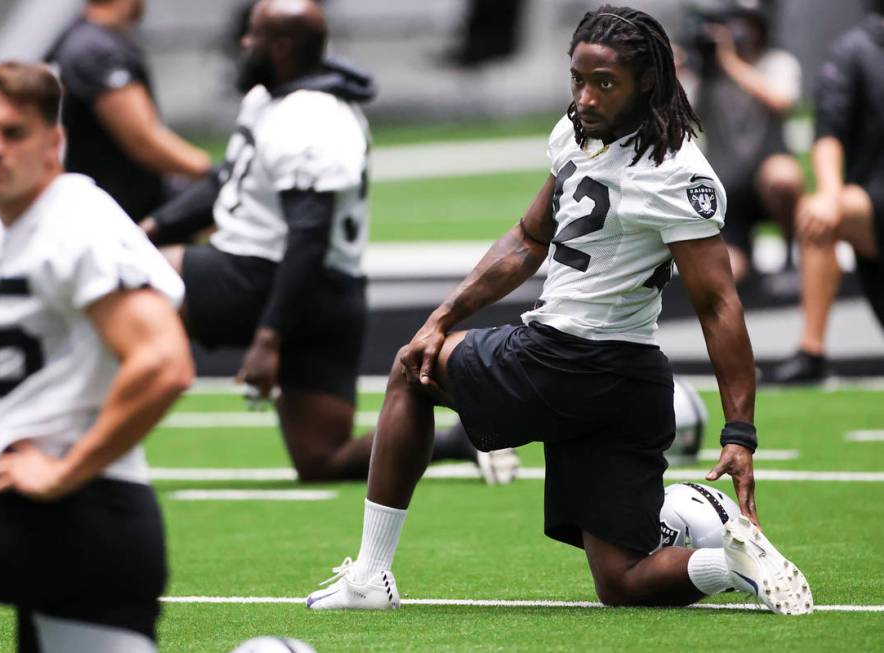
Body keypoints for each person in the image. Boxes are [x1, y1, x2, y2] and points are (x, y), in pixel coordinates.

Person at [306, 5, 813, 615]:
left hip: (565, 357)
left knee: (409, 372)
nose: (586, 97)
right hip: (627, 385)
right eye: (578, 79)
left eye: (605, 83)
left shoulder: (677, 171)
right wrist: (442, 315)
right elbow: (526, 239)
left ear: (648, 82)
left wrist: (741, 432)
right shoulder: (577, 133)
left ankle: (370, 575)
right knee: (622, 584)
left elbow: (718, 304)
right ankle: (726, 561)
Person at [140, 0, 517, 484]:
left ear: (280, 46)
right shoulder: (275, 97)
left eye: (252, 35)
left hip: (272, 278)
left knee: (132, 279)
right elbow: (224, 184)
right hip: (331, 293)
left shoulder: (310, 118)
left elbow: (308, 234)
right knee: (323, 458)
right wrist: (147, 231)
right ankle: (454, 441)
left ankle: (82, 438)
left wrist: (267, 338)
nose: (243, 44)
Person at [0, 62, 193, 651]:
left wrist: (66, 469)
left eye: (12, 133)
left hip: (58, 507)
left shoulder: (79, 223)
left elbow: (165, 363)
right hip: (93, 532)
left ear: (53, 141)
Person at [770, 6, 884, 383]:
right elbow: (828, 133)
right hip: (874, 203)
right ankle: (812, 351)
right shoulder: (856, 51)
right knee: (815, 212)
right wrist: (830, 196)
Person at [47, 0, 211, 221]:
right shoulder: (95, 48)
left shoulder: (81, 36)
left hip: (113, 200)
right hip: (115, 212)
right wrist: (212, 172)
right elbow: (143, 141)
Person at [693, 3, 804, 283]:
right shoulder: (707, 75)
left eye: (745, 24)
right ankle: (745, 258)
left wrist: (730, 62)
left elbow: (782, 102)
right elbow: (681, 120)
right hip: (729, 193)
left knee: (783, 177)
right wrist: (669, 75)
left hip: (767, 183)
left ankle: (792, 253)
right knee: (726, 273)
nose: (737, 32)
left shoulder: (777, 62)